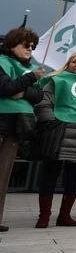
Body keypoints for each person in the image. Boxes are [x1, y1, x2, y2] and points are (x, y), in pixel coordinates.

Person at [33, 53, 76, 228]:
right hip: (59, 131)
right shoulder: (57, 80)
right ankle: (44, 216)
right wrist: (51, 123)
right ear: (68, 64)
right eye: (74, 61)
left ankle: (64, 216)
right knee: (50, 174)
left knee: (75, 177)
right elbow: (44, 103)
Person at [0, 27, 45, 232]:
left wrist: (22, 90)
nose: (30, 49)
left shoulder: (31, 69)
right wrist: (29, 80)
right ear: (11, 45)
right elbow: (5, 88)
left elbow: (38, 96)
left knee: (4, 173)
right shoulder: (2, 62)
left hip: (17, 125)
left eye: (33, 46)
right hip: (3, 120)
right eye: (25, 45)